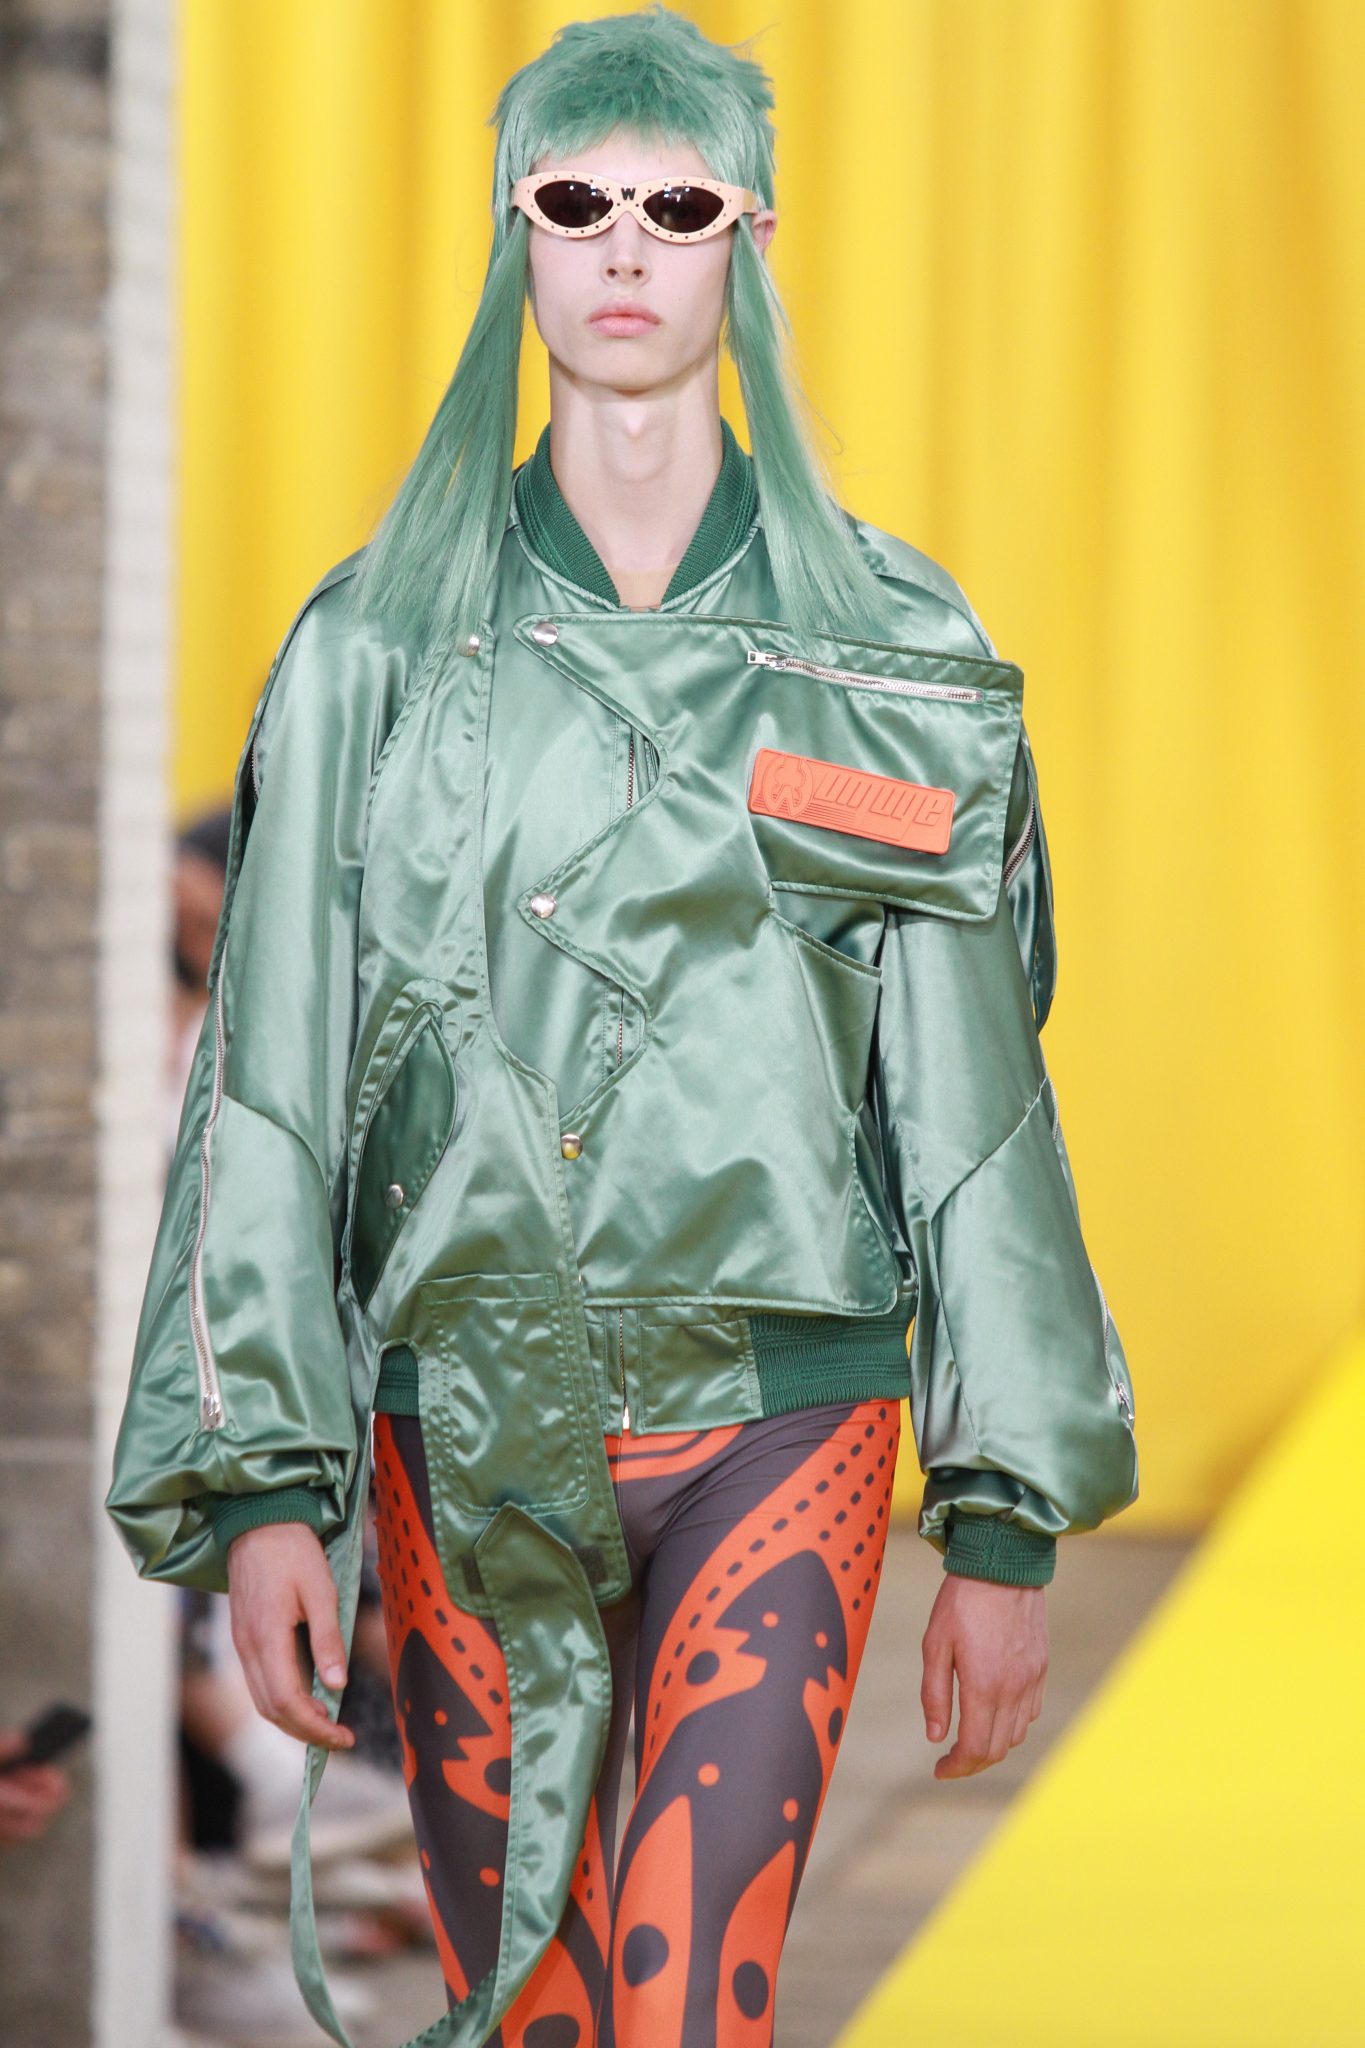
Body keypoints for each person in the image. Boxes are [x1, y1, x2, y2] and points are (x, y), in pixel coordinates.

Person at [105, 8, 1138, 2045]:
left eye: (678, 206)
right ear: (517, 233)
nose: (626, 250)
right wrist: (262, 1485)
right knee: (541, 2019)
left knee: (689, 2011)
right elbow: (269, 1079)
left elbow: (970, 1090)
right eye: (577, 202)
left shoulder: (882, 649)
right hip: (459, 1416)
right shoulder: (373, 647)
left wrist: (1003, 1508)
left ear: (749, 236)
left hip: (783, 1411)